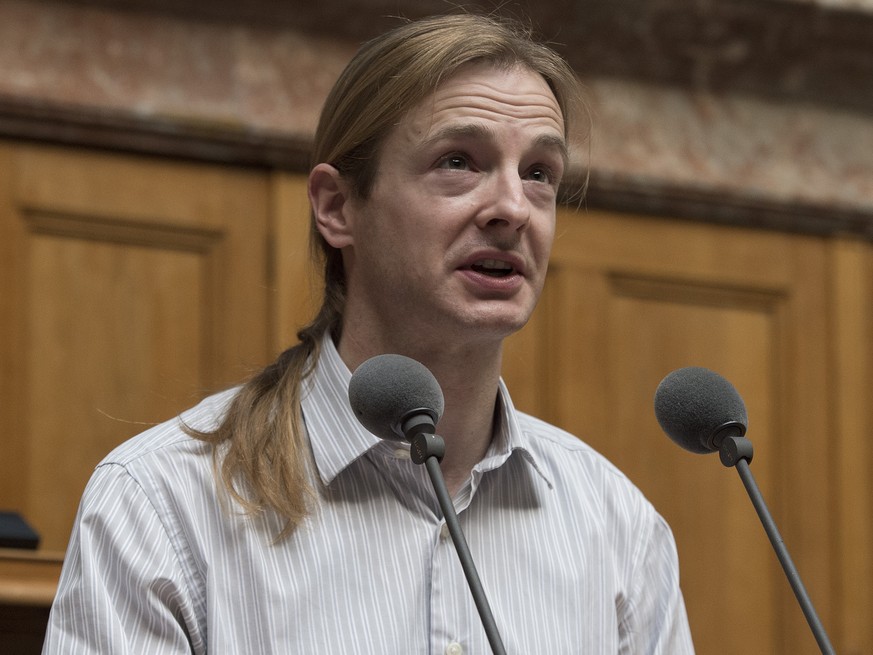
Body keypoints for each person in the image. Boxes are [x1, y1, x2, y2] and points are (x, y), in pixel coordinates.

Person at [43, 12, 694, 654]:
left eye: (538, 173)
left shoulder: (616, 526)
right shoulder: (159, 504)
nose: (512, 209)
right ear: (337, 207)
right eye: (458, 161)